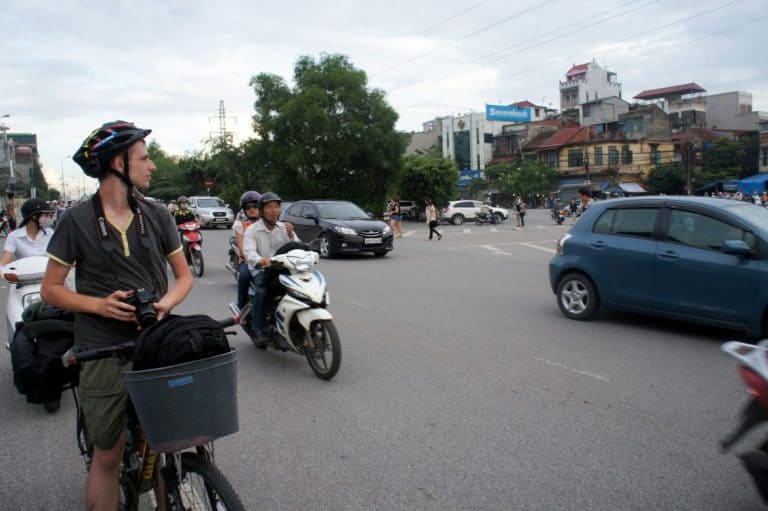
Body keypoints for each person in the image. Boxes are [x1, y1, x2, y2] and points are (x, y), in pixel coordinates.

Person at [40, 120, 194, 511]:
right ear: (118, 164)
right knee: (108, 456)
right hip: (100, 348)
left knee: (164, 442)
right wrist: (99, 305)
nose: (152, 165)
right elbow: (51, 289)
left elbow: (183, 277)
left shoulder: (157, 215)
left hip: (154, 342)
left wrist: (165, 304)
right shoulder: (75, 220)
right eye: (144, 157)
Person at [242, 192, 299, 345]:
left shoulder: (284, 227)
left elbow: (297, 245)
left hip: (283, 267)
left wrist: (292, 236)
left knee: (301, 286)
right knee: (262, 290)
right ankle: (259, 328)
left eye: (277, 207)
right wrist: (260, 260)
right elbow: (248, 252)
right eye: (269, 207)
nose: (274, 210)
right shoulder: (252, 231)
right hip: (263, 270)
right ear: (261, 211)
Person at [0, 198, 56, 266]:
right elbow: (5, 260)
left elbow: (59, 256)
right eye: (46, 215)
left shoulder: (51, 233)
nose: (50, 219)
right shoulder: (14, 236)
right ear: (34, 217)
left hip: (47, 275)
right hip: (22, 275)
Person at [233, 190, 261, 309]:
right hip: (248, 261)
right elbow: (243, 249)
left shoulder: (267, 222)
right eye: (248, 207)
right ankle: (241, 307)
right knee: (244, 276)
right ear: (244, 210)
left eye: (255, 206)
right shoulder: (240, 224)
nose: (252, 209)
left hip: (269, 260)